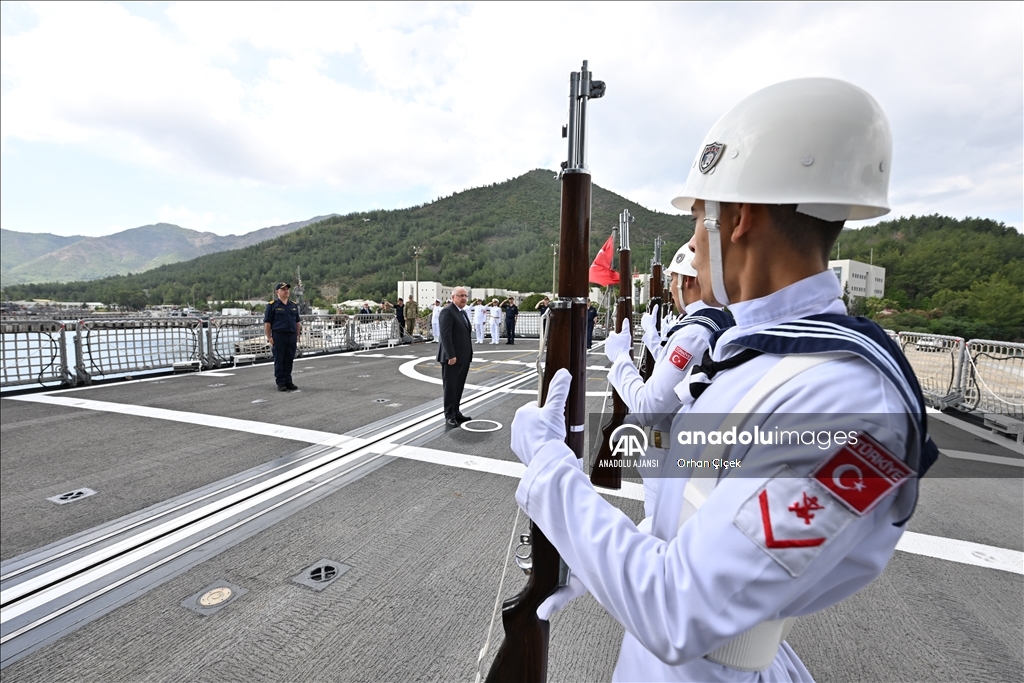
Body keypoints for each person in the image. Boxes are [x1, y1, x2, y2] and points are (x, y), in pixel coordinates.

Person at [507, 78, 937, 682]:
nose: (693, 249)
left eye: (696, 223)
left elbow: (679, 607)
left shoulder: (852, 405)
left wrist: (550, 467)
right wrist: (592, 554)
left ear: (740, 218)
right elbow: (688, 516)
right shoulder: (759, 359)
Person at [603, 245, 732, 515]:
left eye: (673, 279)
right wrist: (652, 337)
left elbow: (649, 407)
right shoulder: (716, 322)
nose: (671, 288)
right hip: (696, 454)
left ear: (687, 280)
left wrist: (620, 359)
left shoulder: (693, 333)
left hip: (672, 459)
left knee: (659, 541)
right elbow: (683, 374)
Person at [436, 286, 474, 427]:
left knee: (459, 386)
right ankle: (449, 415)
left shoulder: (462, 313)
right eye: (460, 295)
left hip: (463, 357)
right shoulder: (447, 311)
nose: (463, 298)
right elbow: (445, 335)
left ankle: (456, 411)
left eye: (465, 295)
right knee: (450, 387)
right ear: (453, 297)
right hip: (452, 358)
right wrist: (451, 355)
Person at [263, 282, 302, 391]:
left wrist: (298, 335)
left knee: (289, 359)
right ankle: (281, 382)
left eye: (287, 289)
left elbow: (297, 322)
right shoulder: (272, 306)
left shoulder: (293, 306)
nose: (286, 291)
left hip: (291, 336)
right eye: (283, 289)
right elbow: (267, 323)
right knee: (279, 360)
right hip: (279, 336)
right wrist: (269, 337)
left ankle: (288, 381)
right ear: (277, 292)